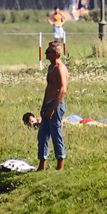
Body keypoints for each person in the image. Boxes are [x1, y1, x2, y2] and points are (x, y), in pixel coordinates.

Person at [38, 40, 68, 170]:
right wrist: (44, 105)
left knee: (56, 134)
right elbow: (48, 87)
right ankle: (42, 164)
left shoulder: (60, 69)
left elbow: (62, 90)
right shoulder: (51, 67)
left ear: (56, 54)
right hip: (47, 105)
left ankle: (60, 164)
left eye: (48, 52)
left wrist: (52, 108)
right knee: (42, 135)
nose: (45, 53)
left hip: (56, 105)